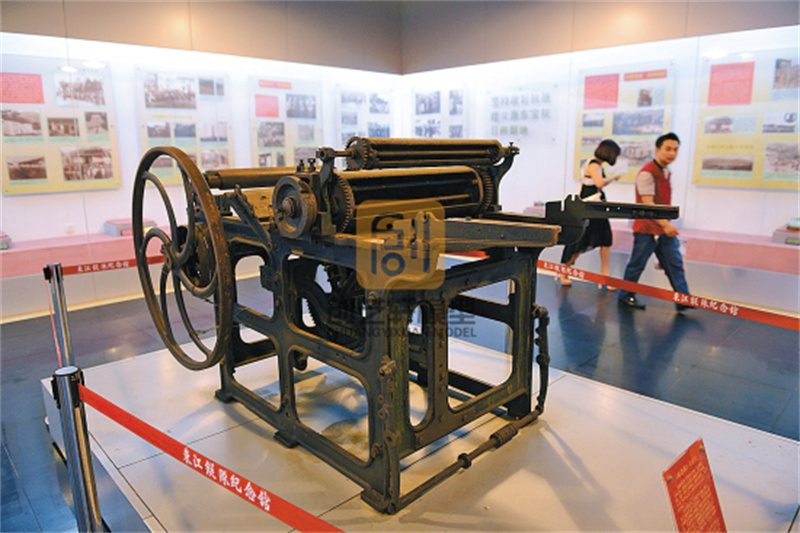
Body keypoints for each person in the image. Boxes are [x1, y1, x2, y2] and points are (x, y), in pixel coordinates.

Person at [618, 132, 690, 311]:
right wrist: (666, 224)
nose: (672, 153)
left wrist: (665, 225)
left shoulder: (666, 172)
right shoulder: (647, 173)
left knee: (674, 263)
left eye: (675, 149)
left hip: (662, 228)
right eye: (668, 149)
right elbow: (648, 205)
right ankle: (625, 296)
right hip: (647, 229)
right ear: (657, 150)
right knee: (637, 264)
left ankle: (683, 300)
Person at [559, 139, 621, 288]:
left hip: (597, 209)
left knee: (605, 242)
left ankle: (605, 278)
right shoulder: (593, 165)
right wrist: (614, 176)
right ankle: (563, 272)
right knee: (581, 242)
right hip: (590, 209)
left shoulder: (594, 164)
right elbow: (599, 183)